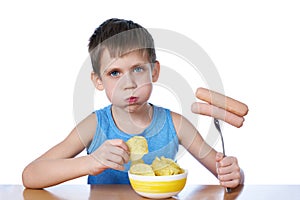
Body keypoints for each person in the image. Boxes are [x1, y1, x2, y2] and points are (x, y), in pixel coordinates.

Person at [22, 18, 244, 189]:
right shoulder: (95, 125)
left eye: (138, 69)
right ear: (98, 81)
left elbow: (227, 174)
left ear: (154, 71)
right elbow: (31, 174)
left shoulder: (176, 125)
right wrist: (90, 162)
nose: (128, 84)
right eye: (115, 73)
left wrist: (234, 174)